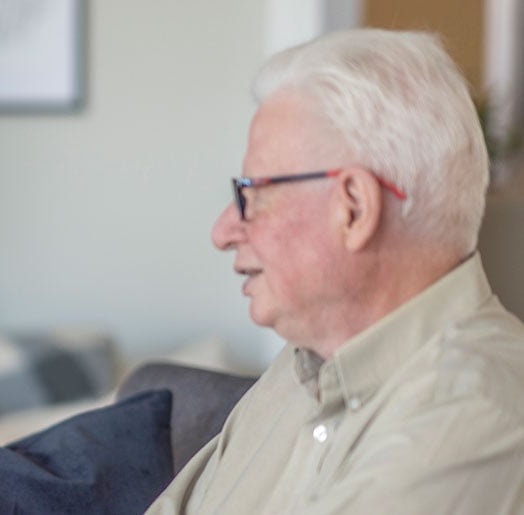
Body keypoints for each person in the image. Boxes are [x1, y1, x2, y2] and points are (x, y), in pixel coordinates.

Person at [146, 29, 524, 514]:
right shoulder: (301, 365)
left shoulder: (475, 413)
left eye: (250, 195)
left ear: (354, 208)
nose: (223, 232)